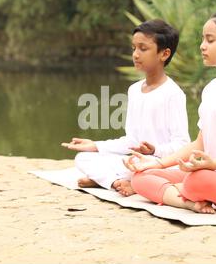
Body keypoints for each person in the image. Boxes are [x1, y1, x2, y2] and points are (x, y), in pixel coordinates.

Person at [123, 11, 216, 214]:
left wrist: (213, 164)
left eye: (210, 40)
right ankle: (188, 203)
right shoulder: (211, 88)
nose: (202, 46)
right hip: (212, 173)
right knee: (141, 176)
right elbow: (200, 143)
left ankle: (178, 193)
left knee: (196, 180)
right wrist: (157, 162)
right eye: (203, 39)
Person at [61, 19, 191, 194]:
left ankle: (114, 180)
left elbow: (183, 145)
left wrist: (155, 150)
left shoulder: (173, 94)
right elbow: (131, 141)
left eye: (143, 49)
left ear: (164, 54)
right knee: (83, 158)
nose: (136, 55)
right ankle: (117, 182)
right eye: (134, 48)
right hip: (136, 162)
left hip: (160, 164)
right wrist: (95, 145)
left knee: (149, 171)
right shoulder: (134, 90)